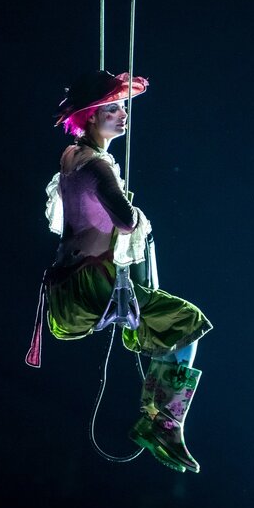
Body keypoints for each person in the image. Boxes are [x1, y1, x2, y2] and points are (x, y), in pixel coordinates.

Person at [29, 69, 213, 474]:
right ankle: (162, 422)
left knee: (165, 330)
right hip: (93, 287)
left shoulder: (72, 156)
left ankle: (159, 418)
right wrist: (129, 207)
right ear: (92, 117)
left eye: (122, 107)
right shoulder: (96, 166)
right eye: (113, 109)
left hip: (70, 289)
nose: (123, 115)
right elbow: (126, 221)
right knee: (186, 324)